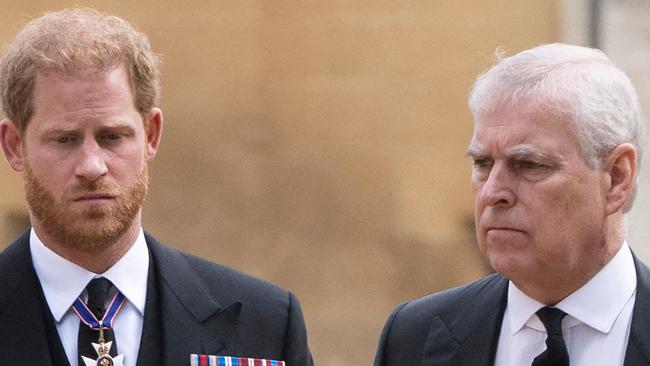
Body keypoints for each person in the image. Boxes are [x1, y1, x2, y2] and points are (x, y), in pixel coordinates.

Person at [0, 8, 312, 366]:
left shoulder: (266, 325)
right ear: (14, 145)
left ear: (151, 134)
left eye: (112, 137)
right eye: (65, 139)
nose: (92, 166)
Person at [374, 43, 649, 366]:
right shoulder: (413, 337)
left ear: (616, 177)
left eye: (529, 164)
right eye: (482, 163)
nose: (493, 192)